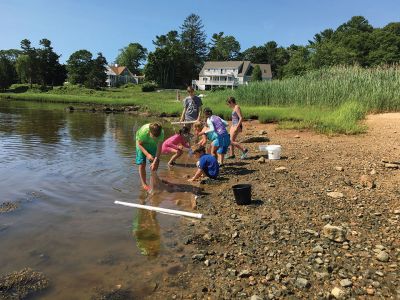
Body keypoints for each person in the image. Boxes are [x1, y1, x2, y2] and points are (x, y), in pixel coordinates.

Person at [135, 122, 164, 191]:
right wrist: (147, 154)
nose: (155, 138)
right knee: (142, 164)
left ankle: (153, 180)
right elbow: (139, 144)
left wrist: (154, 161)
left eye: (157, 137)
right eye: (154, 137)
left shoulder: (161, 133)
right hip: (142, 144)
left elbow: (159, 148)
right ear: (149, 132)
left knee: (155, 163)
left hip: (153, 145)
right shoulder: (143, 132)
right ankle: (144, 184)